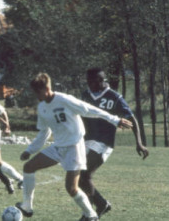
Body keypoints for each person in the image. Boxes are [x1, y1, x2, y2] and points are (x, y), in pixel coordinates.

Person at [15, 73, 133, 221]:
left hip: (74, 147)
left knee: (71, 188)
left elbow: (90, 109)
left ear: (46, 88)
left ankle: (91, 215)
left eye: (37, 92)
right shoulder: (42, 107)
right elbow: (44, 132)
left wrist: (115, 120)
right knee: (29, 167)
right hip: (58, 146)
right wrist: (29, 150)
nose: (36, 95)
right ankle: (27, 206)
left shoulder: (64, 100)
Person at [79, 68, 149, 218]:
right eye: (88, 81)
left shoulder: (114, 97)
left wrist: (139, 143)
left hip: (104, 143)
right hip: (85, 141)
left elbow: (132, 119)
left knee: (85, 175)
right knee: (78, 178)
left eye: (92, 81)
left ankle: (89, 214)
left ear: (100, 80)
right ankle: (101, 204)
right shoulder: (85, 95)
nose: (89, 84)